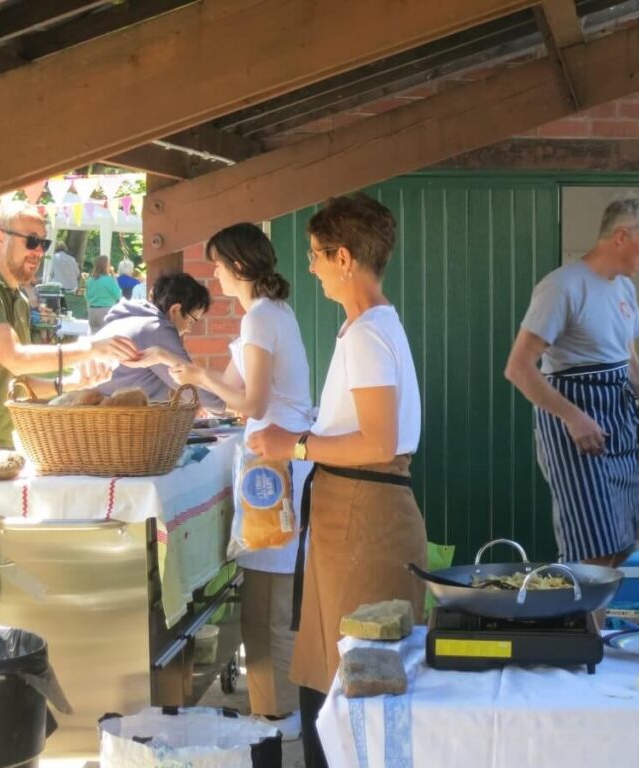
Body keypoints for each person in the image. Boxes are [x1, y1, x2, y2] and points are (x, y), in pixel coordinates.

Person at [248, 194, 427, 768]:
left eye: (315, 256)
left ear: (344, 257)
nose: (309, 268)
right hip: (351, 510)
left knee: (355, 685)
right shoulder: (364, 329)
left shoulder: (371, 334)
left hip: (364, 515)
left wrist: (293, 444)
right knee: (331, 676)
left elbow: (378, 440)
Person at [504, 197, 639, 567]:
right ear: (621, 236)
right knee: (592, 548)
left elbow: (629, 362)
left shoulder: (623, 289)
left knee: (623, 545)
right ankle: (585, 625)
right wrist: (574, 418)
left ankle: (609, 625)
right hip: (576, 433)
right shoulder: (562, 287)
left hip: (618, 421)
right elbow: (519, 368)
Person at [167, 223, 313, 741]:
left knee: (269, 600)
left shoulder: (261, 319)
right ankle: (274, 709)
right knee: (269, 596)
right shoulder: (271, 314)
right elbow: (236, 394)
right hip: (280, 461)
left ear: (240, 266)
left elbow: (248, 403)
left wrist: (198, 376)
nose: (215, 275)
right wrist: (187, 373)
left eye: (219, 265)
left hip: (276, 468)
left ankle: (275, 716)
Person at [0, 202, 139, 621]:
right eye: (31, 241)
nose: (39, 251)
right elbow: (17, 358)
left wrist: (78, 383)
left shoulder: (18, 300)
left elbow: (24, 385)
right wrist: (91, 347)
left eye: (42, 242)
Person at [94, 273, 225, 411]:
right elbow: (193, 388)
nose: (189, 329)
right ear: (175, 310)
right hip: (118, 421)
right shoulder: (157, 328)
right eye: (191, 321)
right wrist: (228, 404)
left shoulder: (130, 320)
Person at [85, 255, 121, 333]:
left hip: (92, 311)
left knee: (94, 337)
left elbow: (87, 296)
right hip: (105, 311)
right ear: (106, 266)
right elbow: (118, 295)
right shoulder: (109, 280)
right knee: (106, 337)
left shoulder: (90, 280)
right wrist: (114, 277)